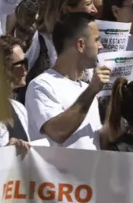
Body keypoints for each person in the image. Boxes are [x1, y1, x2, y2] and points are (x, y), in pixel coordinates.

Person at [25, 12, 110, 149]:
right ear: (81, 44)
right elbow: (58, 132)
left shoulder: (85, 88)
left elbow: (93, 142)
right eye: (96, 40)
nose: (100, 46)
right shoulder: (41, 85)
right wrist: (92, 91)